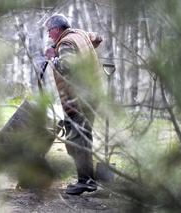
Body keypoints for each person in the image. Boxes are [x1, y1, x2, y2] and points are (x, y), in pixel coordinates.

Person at [44, 14, 102, 195]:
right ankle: (88, 179)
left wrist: (53, 57)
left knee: (77, 140)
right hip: (93, 94)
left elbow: (67, 66)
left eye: (49, 32)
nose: (49, 36)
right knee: (82, 136)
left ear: (57, 29)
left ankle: (86, 181)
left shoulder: (66, 44)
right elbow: (98, 38)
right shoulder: (80, 35)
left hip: (78, 99)